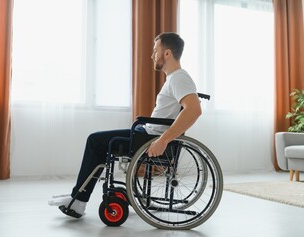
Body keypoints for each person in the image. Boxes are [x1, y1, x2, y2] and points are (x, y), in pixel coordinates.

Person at [48, 32, 202, 218]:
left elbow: (194, 110)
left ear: (167, 53)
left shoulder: (179, 78)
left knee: (95, 141)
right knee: (100, 141)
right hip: (146, 133)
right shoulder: (174, 78)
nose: (152, 55)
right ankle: (79, 197)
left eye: (155, 51)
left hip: (150, 138)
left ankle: (79, 200)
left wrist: (163, 140)